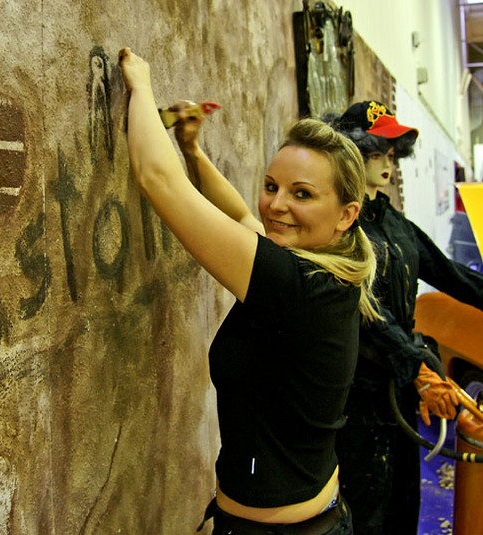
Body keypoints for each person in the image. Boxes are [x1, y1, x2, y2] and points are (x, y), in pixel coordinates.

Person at [119, 47, 379, 534]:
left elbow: (157, 179)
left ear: (346, 214)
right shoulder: (324, 273)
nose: (277, 205)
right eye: (271, 185)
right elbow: (242, 216)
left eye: (302, 194)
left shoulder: (296, 285)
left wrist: (142, 85)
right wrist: (193, 150)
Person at [329, 100, 483, 535]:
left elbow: (456, 278)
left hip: (402, 392)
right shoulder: (343, 229)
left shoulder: (399, 227)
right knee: (364, 512)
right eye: (378, 150)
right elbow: (367, 311)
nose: (388, 162)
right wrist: (414, 364)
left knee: (404, 507)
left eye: (393, 152)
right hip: (358, 398)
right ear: (354, 153)